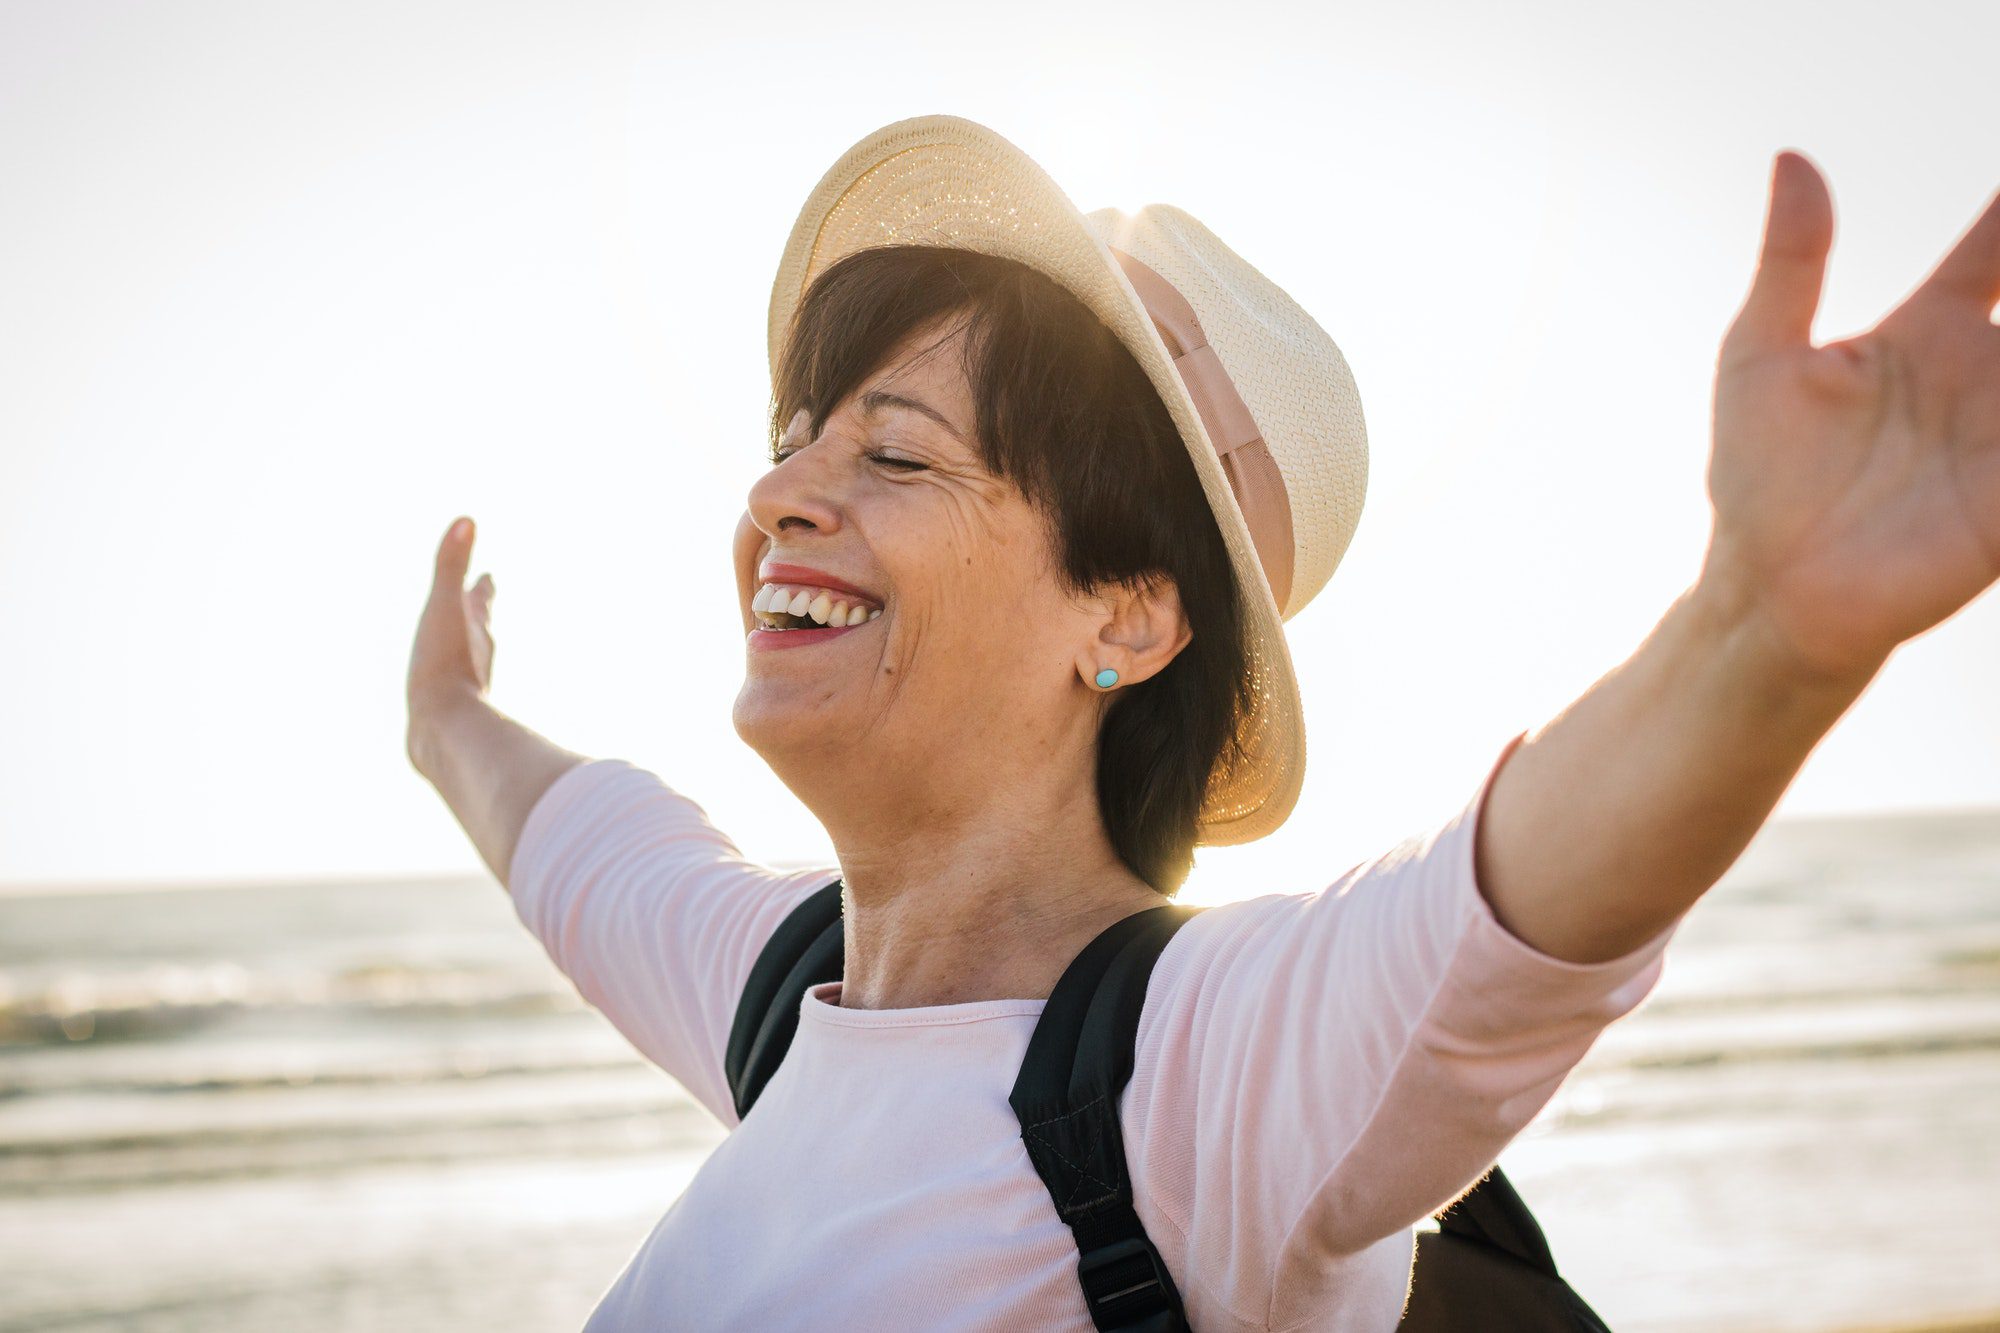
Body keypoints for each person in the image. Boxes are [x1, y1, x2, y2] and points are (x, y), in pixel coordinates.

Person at [405, 116, 2000, 1331]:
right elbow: (584, 842)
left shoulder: (1188, 1083)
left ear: (1127, 616)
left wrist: (1763, 636)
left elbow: (1506, 913)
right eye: (797, 436)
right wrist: (444, 715)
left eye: (892, 454)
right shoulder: (776, 991)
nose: (778, 494)